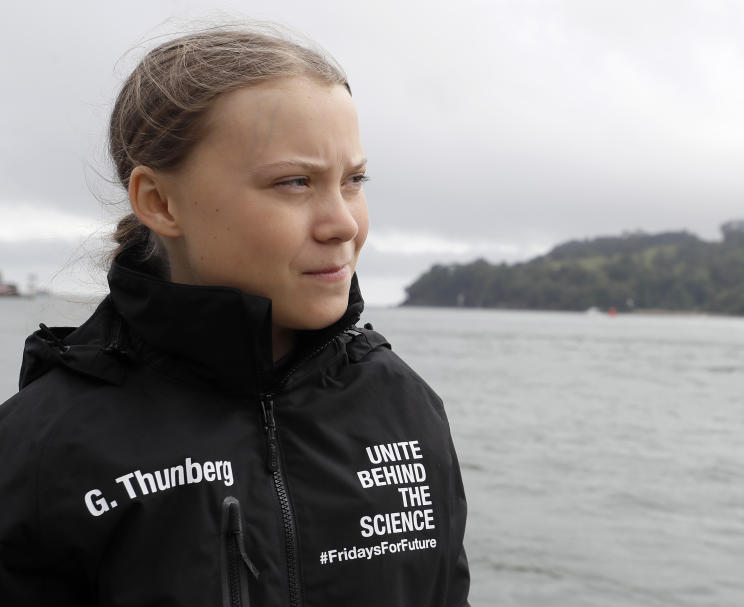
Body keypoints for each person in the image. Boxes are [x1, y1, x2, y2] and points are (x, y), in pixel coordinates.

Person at [0, 25, 470, 606]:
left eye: (353, 181)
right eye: (294, 182)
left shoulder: (404, 407)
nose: (343, 224)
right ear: (160, 202)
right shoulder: (43, 449)